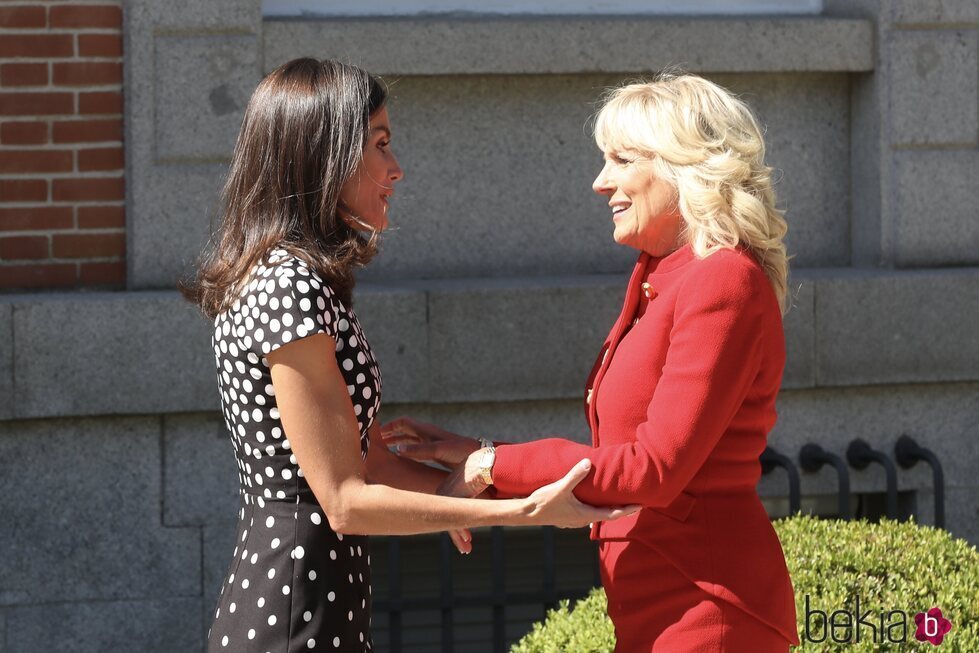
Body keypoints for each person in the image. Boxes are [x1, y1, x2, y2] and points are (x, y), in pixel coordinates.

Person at [181, 57, 637, 653]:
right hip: (293, 610)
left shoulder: (296, 279)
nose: (396, 169)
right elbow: (343, 500)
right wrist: (521, 514)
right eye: (381, 144)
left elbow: (365, 460)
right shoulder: (285, 284)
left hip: (314, 597)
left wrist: (469, 482)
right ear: (326, 153)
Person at [383, 73, 801, 652]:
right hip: (655, 605)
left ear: (686, 168)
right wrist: (484, 454)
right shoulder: (662, 272)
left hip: (709, 610)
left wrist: (490, 466)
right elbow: (616, 455)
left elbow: (653, 469)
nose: (601, 182)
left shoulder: (722, 278)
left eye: (621, 160)